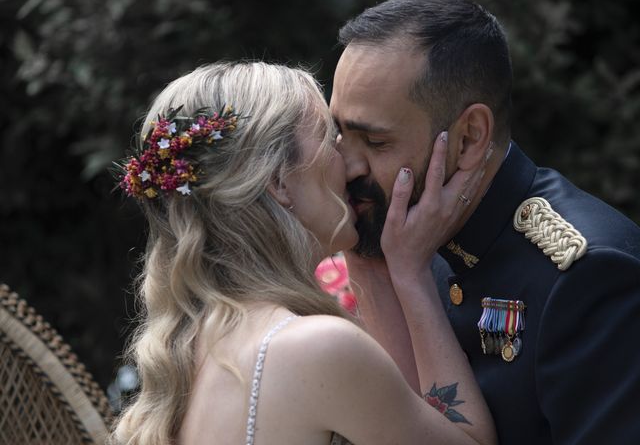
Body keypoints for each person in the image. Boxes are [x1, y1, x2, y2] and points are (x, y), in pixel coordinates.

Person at [111, 61, 497, 445]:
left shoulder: (186, 353)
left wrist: (363, 255)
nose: (350, 165)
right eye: (331, 139)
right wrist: (412, 275)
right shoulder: (317, 349)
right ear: (279, 182)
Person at [330, 0, 640, 445]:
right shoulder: (406, 239)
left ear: (470, 138)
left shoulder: (590, 273)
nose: (348, 166)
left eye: (375, 143)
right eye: (338, 132)